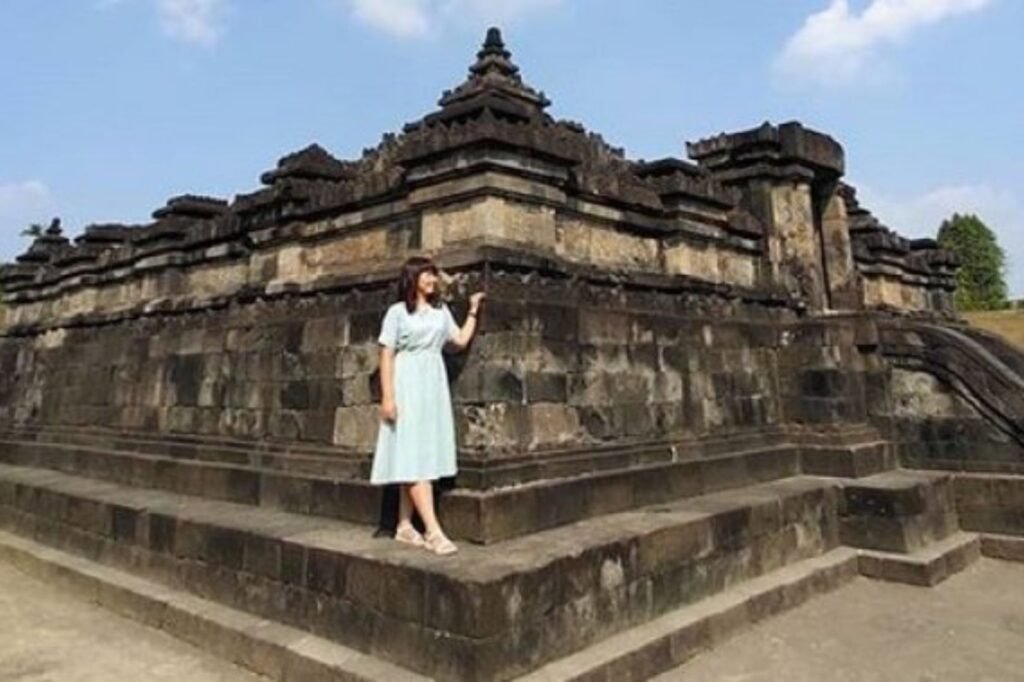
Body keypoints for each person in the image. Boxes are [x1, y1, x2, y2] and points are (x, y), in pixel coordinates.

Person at [370, 256, 485, 555]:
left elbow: (458, 340)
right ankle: (433, 531)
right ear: (412, 279)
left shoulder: (440, 311)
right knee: (411, 454)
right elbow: (386, 355)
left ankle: (404, 525)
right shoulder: (397, 313)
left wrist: (472, 310)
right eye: (426, 275)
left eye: (433, 275)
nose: (432, 280)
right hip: (407, 383)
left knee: (423, 453)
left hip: (432, 384)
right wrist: (388, 397)